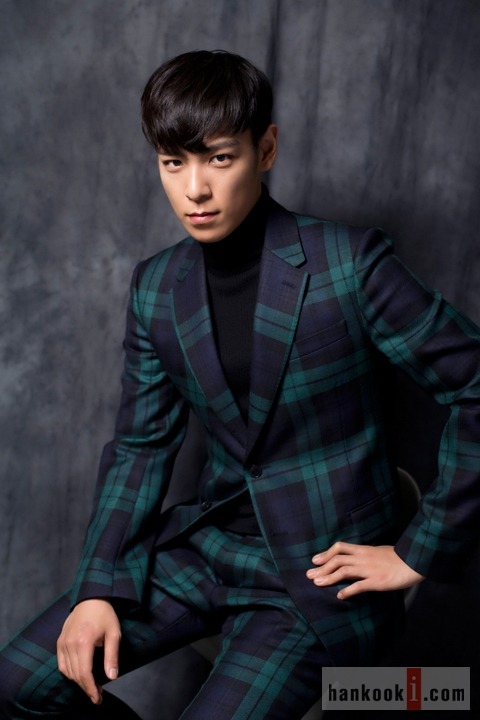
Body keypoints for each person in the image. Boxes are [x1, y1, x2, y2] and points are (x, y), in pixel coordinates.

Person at [1, 48, 480, 720]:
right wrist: (96, 588)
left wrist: (418, 551)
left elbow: (474, 383)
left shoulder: (350, 264)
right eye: (173, 163)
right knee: (17, 686)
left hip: (316, 578)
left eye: (219, 158)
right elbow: (140, 448)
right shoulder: (156, 287)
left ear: (266, 149)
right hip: (208, 550)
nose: (194, 189)